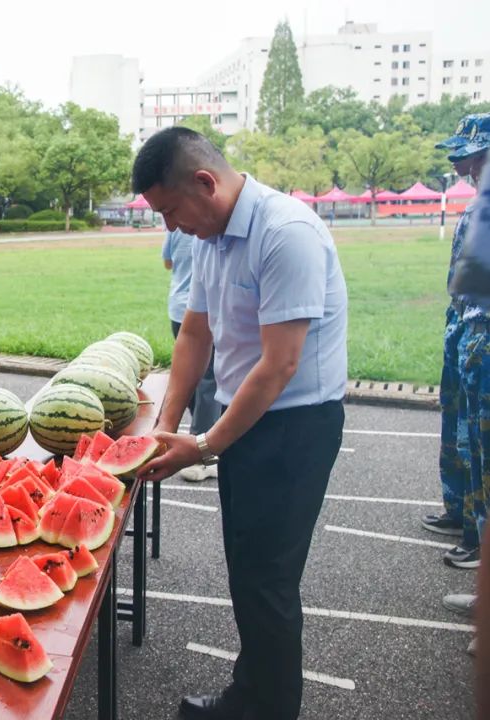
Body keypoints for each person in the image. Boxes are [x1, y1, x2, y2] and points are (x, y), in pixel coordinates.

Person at [133, 127, 348, 720]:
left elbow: (279, 365)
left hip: (294, 429)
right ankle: (250, 695)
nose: (171, 227)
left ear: (205, 182)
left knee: (268, 581)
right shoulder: (212, 236)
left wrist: (203, 445)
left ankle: (269, 708)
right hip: (246, 425)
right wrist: (166, 423)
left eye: (170, 211)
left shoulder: (287, 233)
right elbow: (195, 333)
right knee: (248, 573)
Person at [421, 113, 489, 572]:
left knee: (482, 444)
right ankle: (460, 511)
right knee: (459, 428)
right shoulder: (478, 202)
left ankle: (478, 538)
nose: (459, 164)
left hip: (484, 332)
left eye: (468, 155)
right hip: (465, 326)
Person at [162, 227, 221, 482]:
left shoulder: (175, 229)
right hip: (198, 312)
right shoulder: (206, 231)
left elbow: (167, 262)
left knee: (195, 379)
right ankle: (203, 452)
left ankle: (203, 442)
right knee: (207, 382)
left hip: (177, 309)